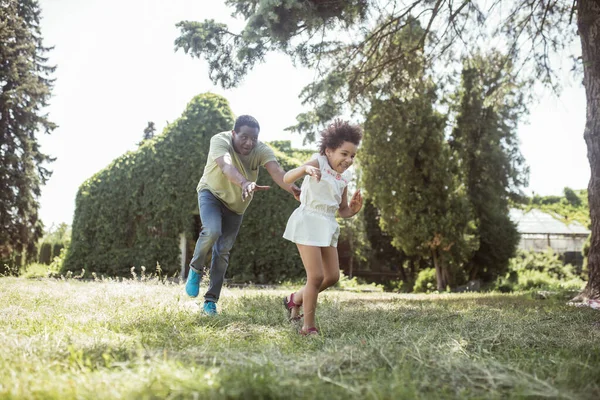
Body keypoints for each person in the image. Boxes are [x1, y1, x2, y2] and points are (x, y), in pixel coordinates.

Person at [185, 115, 300, 315]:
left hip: (236, 207)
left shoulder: (261, 150)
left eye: (254, 139)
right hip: (211, 194)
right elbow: (226, 166)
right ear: (233, 133)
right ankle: (195, 268)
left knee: (223, 251)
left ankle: (210, 301)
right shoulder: (220, 140)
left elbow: (277, 173)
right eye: (244, 137)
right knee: (212, 230)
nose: (249, 143)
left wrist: (294, 189)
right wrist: (245, 182)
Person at [281, 119, 363, 335]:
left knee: (332, 277)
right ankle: (308, 327)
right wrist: (304, 169)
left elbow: (342, 210)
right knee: (316, 277)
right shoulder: (318, 161)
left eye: (352, 155)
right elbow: (287, 177)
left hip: (327, 224)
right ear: (329, 150)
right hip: (308, 220)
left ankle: (295, 299)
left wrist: (353, 210)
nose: (348, 159)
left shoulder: (343, 179)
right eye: (344, 153)